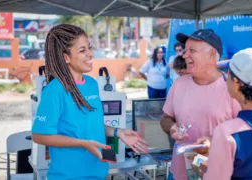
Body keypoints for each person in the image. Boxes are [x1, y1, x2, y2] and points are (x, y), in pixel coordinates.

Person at [32, 24, 149, 180]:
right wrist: (83, 143)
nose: (90, 54)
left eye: (89, 48)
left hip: (98, 173)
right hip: (69, 176)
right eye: (82, 50)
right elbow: (39, 136)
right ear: (66, 57)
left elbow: (90, 124)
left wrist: (118, 132)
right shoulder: (54, 91)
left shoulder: (91, 84)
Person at [160, 29, 241, 180]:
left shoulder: (231, 87)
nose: (184, 55)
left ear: (211, 54)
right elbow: (165, 118)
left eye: (191, 50)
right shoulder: (178, 84)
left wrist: (216, 141)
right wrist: (171, 127)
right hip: (180, 172)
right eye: (184, 51)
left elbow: (247, 132)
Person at [198, 48, 252, 179]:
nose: (224, 79)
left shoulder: (227, 133)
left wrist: (204, 172)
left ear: (237, 83)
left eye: (227, 74)